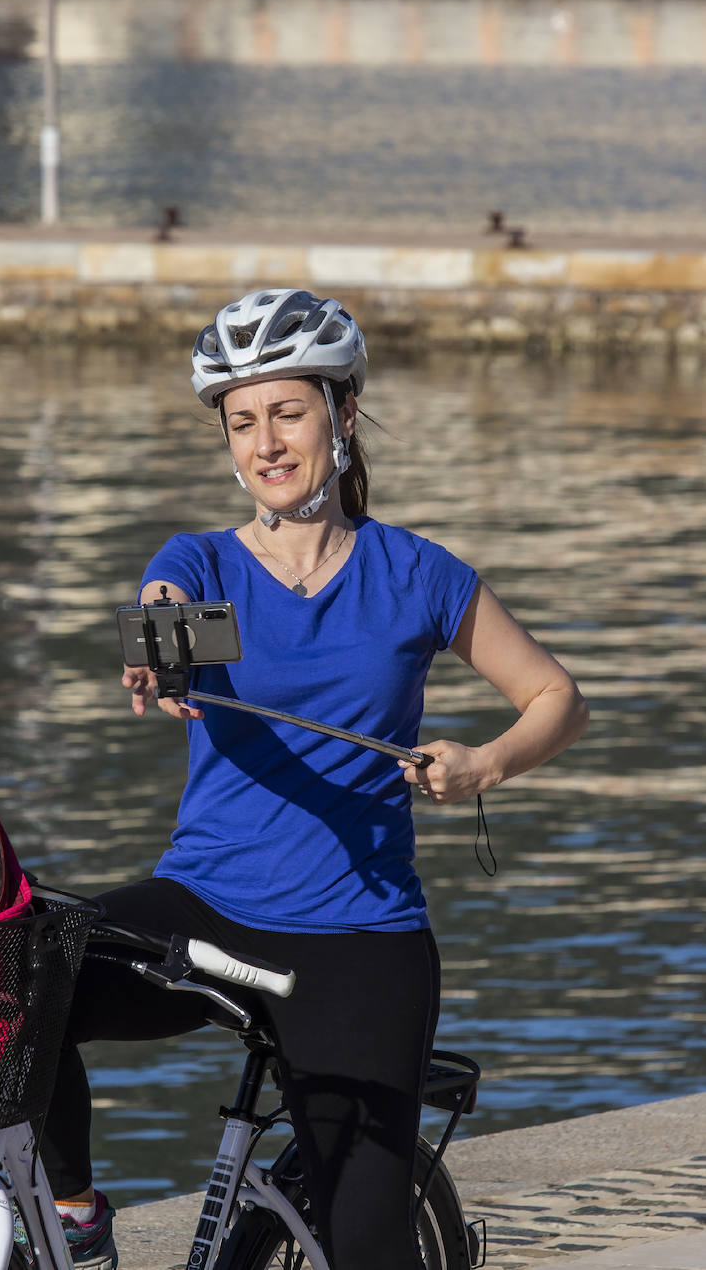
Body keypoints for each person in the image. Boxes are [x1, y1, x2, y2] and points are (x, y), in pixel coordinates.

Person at [39, 288, 589, 1270]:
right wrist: (159, 663)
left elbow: (556, 696)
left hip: (357, 938)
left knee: (366, 1243)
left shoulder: (414, 574)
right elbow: (166, 616)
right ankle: (74, 1216)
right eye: (242, 422)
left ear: (340, 412)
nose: (266, 442)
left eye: (287, 413)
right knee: (21, 981)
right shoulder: (200, 561)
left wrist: (484, 762)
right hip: (204, 906)